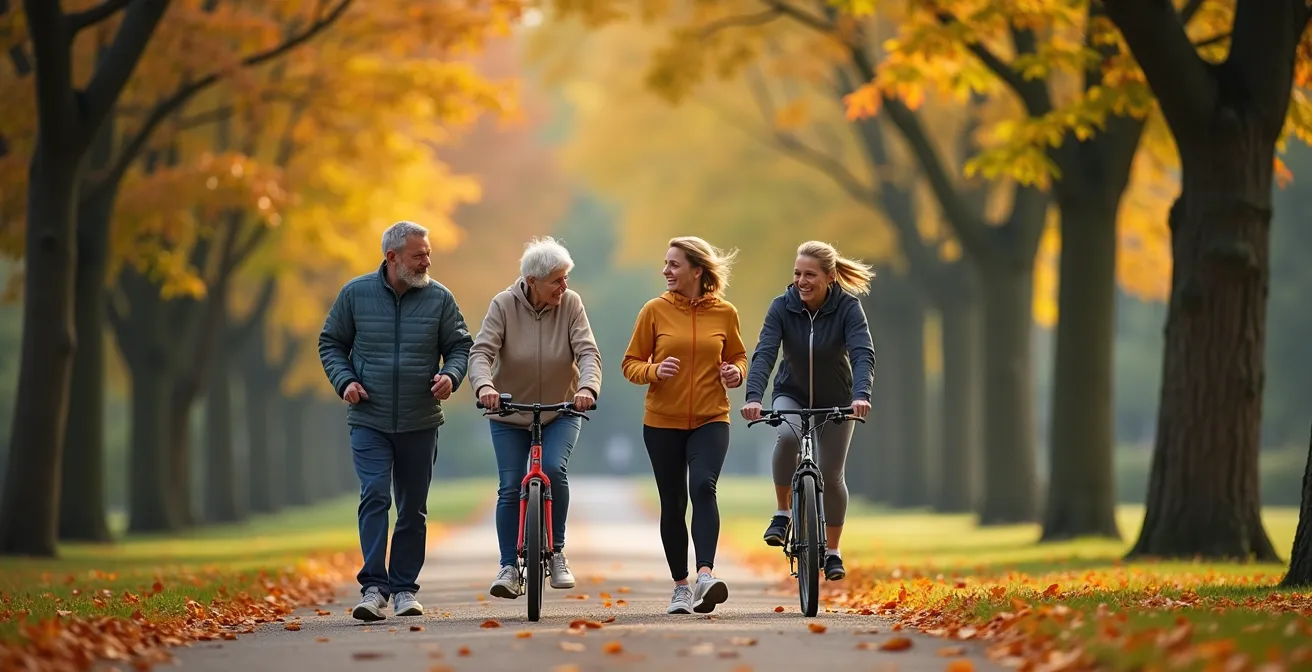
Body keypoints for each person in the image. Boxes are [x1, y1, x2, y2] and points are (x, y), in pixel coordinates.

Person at [318, 220, 473, 621]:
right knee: (375, 495)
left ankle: (404, 588)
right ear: (392, 257)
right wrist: (345, 381)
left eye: (428, 253)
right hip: (369, 417)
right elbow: (331, 342)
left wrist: (451, 376)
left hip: (420, 420)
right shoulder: (355, 294)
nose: (427, 261)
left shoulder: (440, 298)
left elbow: (459, 346)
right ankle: (373, 587)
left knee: (412, 507)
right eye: (419, 255)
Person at [467, 236, 602, 599]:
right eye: (557, 280)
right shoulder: (503, 305)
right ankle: (508, 565)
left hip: (562, 409)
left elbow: (588, 352)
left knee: (554, 471)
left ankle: (556, 551)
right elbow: (481, 353)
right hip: (509, 412)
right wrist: (484, 388)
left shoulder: (571, 304)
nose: (564, 286)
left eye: (566, 278)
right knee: (511, 485)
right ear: (532, 281)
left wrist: (587, 389)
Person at [622, 235, 748, 615]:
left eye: (674, 265)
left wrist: (735, 373)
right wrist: (655, 370)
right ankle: (680, 586)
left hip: (711, 418)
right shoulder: (654, 310)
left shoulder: (725, 312)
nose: (666, 271)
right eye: (666, 264)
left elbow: (739, 355)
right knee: (673, 503)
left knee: (703, 487)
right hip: (662, 422)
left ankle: (705, 576)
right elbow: (630, 364)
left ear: (697, 270)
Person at [740, 240, 875, 582]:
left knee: (831, 475)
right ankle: (783, 513)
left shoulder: (848, 308)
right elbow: (765, 354)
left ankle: (832, 551)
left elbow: (862, 354)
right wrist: (754, 396)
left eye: (810, 274)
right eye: (797, 273)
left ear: (829, 277)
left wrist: (861, 394)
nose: (801, 281)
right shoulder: (782, 307)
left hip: (837, 399)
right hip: (792, 394)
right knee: (787, 438)